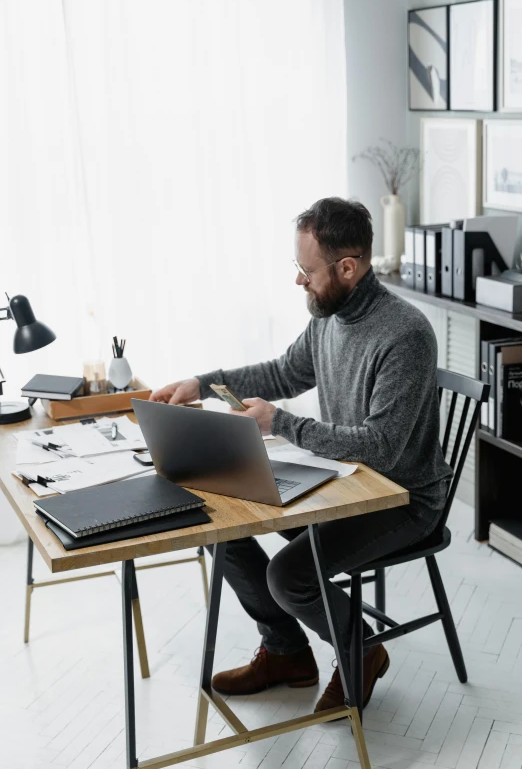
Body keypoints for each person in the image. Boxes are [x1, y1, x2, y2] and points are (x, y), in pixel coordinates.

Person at [150, 197, 452, 711]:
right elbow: (280, 374)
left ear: (348, 268)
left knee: (288, 575)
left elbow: (382, 445)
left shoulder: (405, 335)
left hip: (403, 500)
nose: (299, 281)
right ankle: (288, 652)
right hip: (347, 481)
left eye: (306, 270)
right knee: (218, 525)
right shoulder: (328, 319)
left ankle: (362, 651)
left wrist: (281, 423)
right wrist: (202, 383)